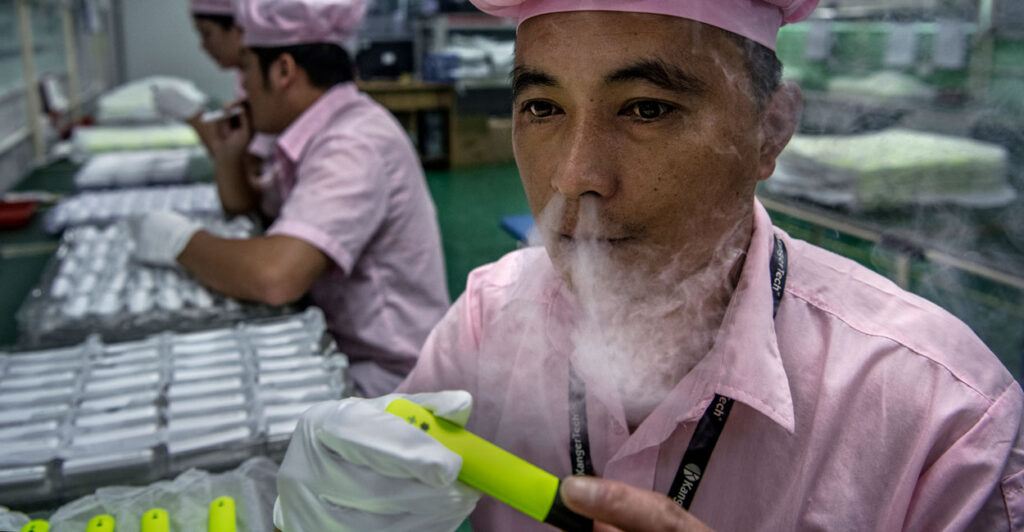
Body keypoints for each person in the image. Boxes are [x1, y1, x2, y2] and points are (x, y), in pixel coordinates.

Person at [272, 0, 1024, 531]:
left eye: (645, 108)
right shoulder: (487, 319)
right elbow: (392, 473)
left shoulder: (938, 420)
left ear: (771, 131)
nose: (575, 178)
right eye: (543, 108)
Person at [130, 0, 450, 397]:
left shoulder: (353, 143)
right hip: (341, 348)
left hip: (389, 383)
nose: (242, 87)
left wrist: (178, 242)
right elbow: (251, 208)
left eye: (246, 68)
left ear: (282, 71)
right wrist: (230, 157)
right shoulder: (313, 131)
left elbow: (276, 276)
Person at [151, 0, 246, 153]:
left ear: (239, 28)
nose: (203, 46)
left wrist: (195, 116)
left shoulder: (264, 80)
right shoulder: (244, 77)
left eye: (207, 33)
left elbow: (242, 161)